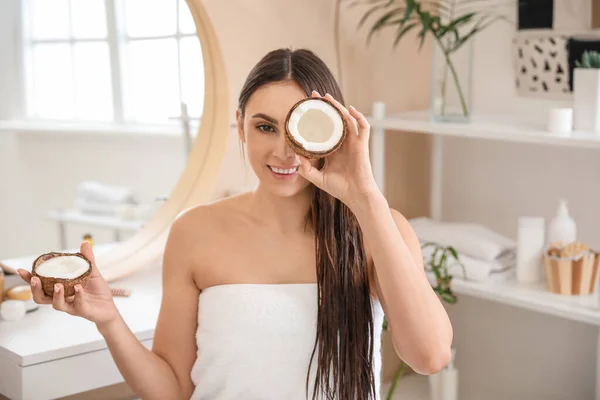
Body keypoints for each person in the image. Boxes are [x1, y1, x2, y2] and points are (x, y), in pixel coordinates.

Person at [17, 48, 453, 400]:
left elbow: (430, 356)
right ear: (241, 128)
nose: (285, 151)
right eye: (265, 127)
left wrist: (366, 197)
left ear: (333, 132)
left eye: (300, 129)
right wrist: (110, 320)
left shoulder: (378, 228)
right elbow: (173, 390)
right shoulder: (196, 232)